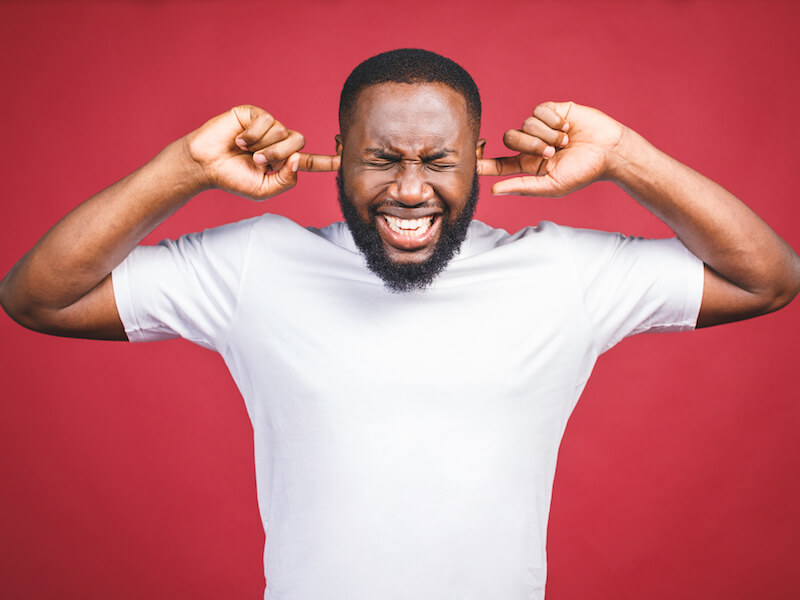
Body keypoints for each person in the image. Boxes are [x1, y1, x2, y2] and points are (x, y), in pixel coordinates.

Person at [1, 48, 798, 599]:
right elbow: (38, 296)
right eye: (382, 158)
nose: (411, 189)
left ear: (481, 158)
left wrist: (625, 154)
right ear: (337, 154)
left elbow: (769, 279)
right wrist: (187, 168)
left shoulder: (563, 273)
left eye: (438, 160)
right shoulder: (255, 266)